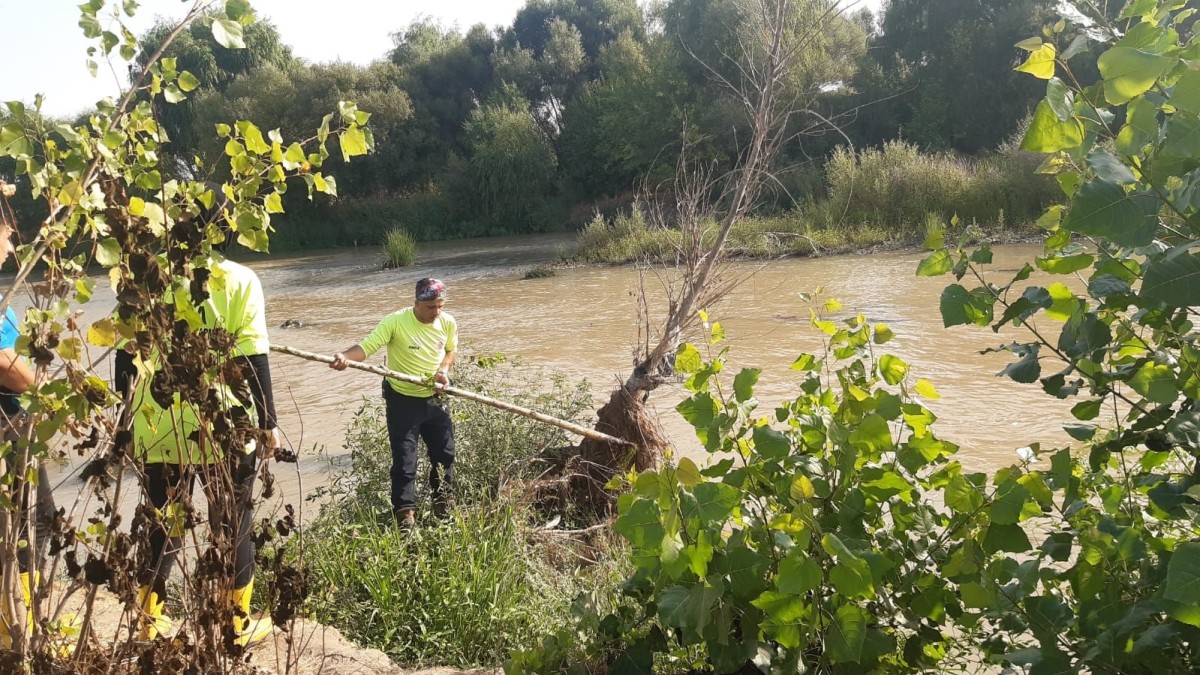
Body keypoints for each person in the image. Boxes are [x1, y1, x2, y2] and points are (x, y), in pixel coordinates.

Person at [114, 184, 278, 645]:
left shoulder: (144, 278)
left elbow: (126, 360)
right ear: (227, 230)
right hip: (221, 424)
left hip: (155, 421)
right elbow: (252, 360)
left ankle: (151, 622)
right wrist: (267, 421)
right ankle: (234, 623)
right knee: (233, 519)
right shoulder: (242, 280)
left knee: (161, 519)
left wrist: (124, 424)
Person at [330, 277, 457, 527]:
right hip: (403, 401)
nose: (437, 312)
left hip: (435, 398)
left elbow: (451, 351)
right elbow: (367, 347)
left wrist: (443, 370)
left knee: (445, 455)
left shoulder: (448, 322)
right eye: (431, 306)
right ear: (416, 303)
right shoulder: (395, 321)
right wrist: (344, 357)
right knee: (405, 459)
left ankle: (442, 506)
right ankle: (405, 516)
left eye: (440, 306)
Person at [0, 187, 58, 649]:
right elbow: (5, 365)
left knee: (28, 519)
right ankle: (20, 626)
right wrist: (45, 388)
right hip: (8, 422)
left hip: (13, 420)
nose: (13, 246)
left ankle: (19, 620)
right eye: (8, 234)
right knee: (27, 519)